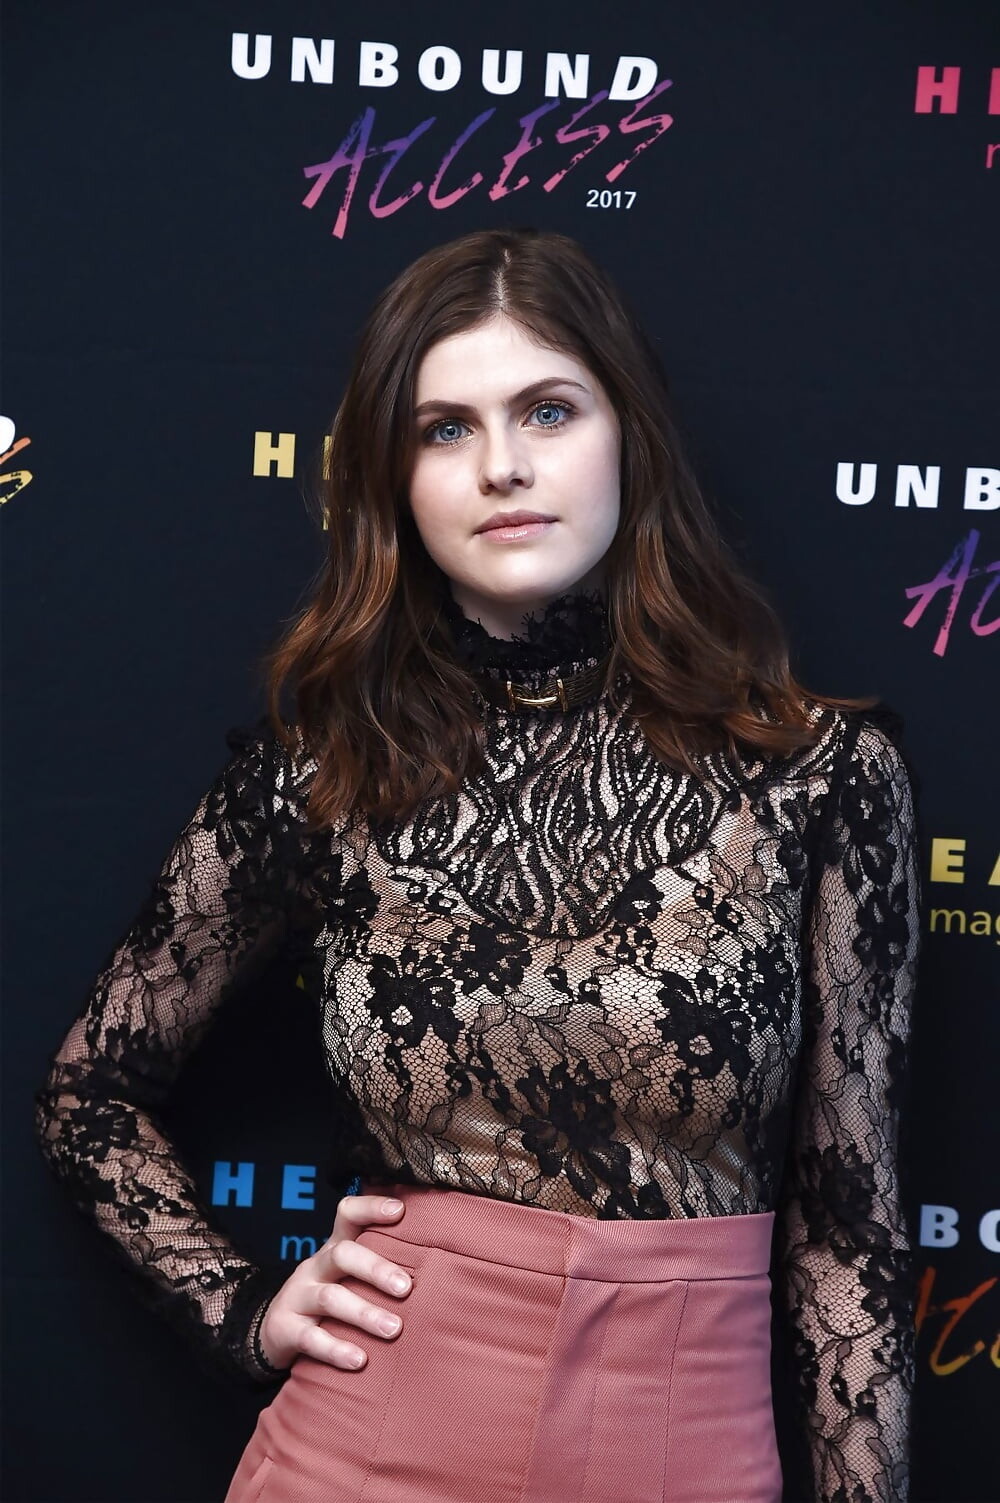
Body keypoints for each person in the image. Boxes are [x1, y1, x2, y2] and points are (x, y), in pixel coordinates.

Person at [35, 227, 921, 1503]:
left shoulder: (818, 775)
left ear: (629, 434)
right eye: (444, 429)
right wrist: (243, 1306)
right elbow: (87, 1096)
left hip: (683, 1458)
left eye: (547, 411)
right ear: (392, 478)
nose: (503, 464)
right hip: (360, 1451)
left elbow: (849, 1232)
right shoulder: (323, 773)